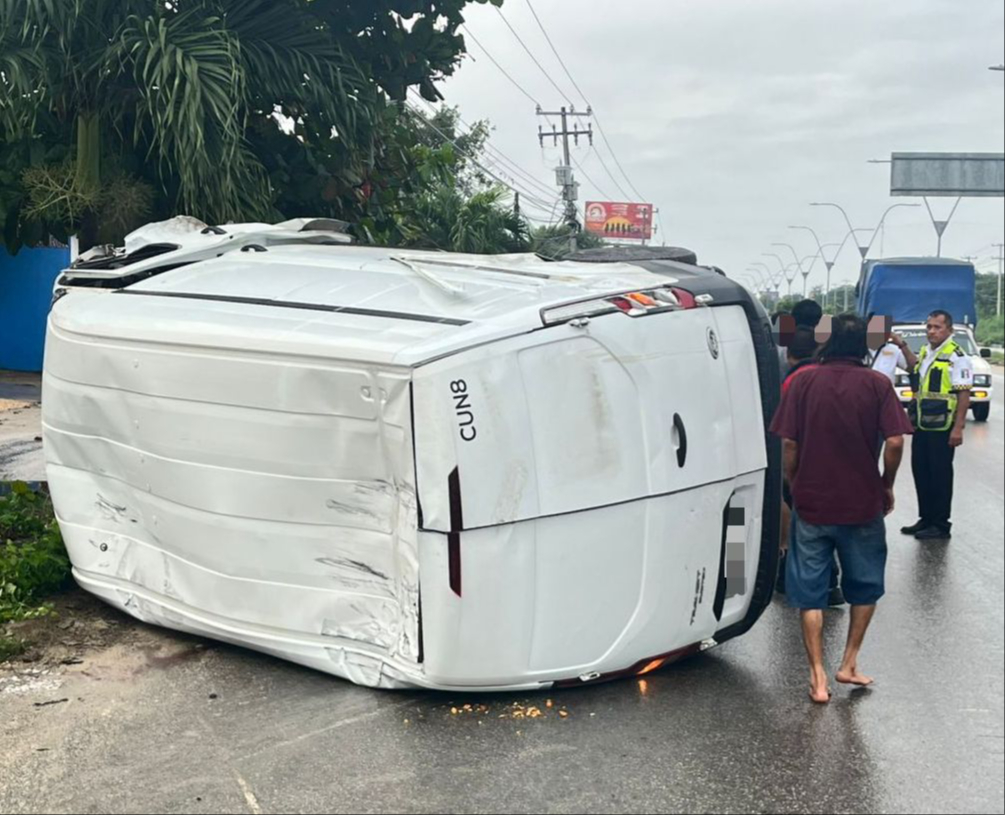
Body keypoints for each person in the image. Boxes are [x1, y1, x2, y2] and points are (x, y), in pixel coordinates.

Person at [770, 314, 914, 704]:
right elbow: (897, 441)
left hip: (813, 503)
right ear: (861, 346)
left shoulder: (802, 382)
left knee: (809, 591)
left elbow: (789, 445)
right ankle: (848, 663)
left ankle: (817, 678)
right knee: (864, 585)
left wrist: (794, 482)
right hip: (862, 503)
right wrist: (886, 483)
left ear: (826, 343)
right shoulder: (877, 384)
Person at [901, 310, 972, 541]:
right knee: (921, 471)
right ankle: (926, 518)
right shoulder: (927, 352)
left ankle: (940, 524)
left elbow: (964, 394)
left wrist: (958, 428)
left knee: (940, 475)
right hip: (923, 423)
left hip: (943, 426)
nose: (931, 331)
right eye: (929, 327)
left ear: (949, 330)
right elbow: (914, 368)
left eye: (937, 327)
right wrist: (902, 346)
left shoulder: (957, 356)